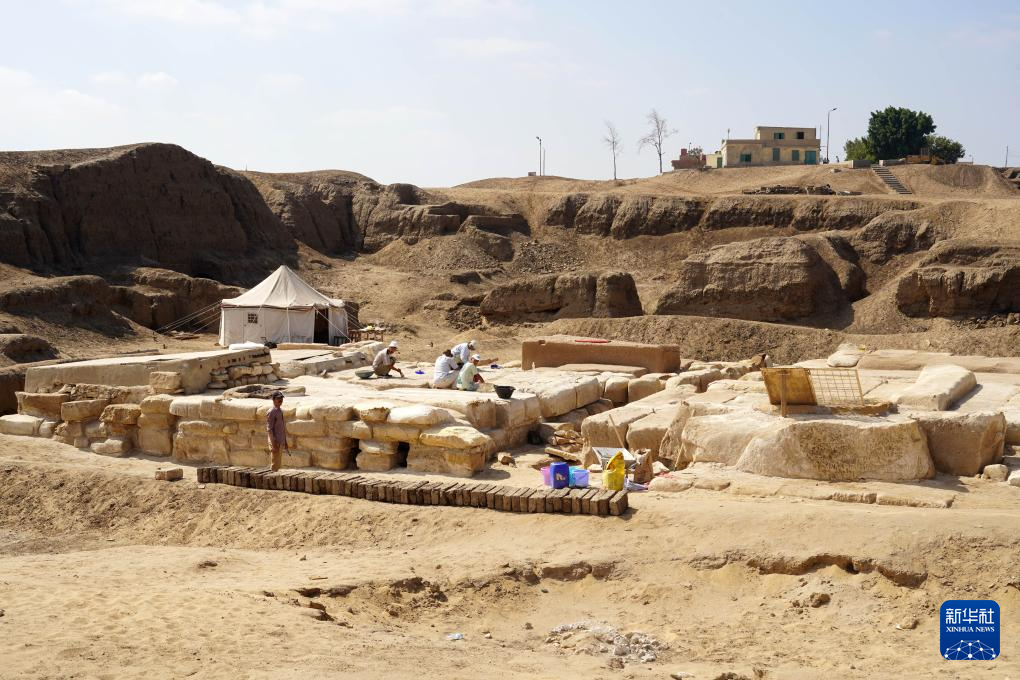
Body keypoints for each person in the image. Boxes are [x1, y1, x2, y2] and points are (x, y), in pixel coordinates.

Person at [266, 391, 287, 471]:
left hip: (280, 441)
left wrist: (284, 441)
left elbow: (281, 427)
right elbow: (269, 429)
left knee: (277, 464)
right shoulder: (272, 412)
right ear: (274, 400)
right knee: (274, 465)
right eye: (278, 398)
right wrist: (273, 444)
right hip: (275, 442)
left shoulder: (279, 410)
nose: (281, 400)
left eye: (281, 398)